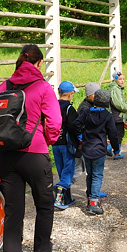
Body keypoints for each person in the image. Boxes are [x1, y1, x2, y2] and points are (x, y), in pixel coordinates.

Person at [0, 44, 62, 252]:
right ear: (39, 63)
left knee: (13, 210)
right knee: (44, 204)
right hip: (34, 152)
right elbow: (55, 121)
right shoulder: (42, 87)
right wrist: (47, 141)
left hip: (6, 155)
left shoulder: (3, 86)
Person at [75, 89, 120, 215]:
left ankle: (90, 197)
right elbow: (113, 133)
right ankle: (94, 202)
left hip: (87, 148)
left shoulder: (87, 112)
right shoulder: (107, 115)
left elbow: (76, 123)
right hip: (99, 149)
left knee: (90, 175)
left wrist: (80, 137)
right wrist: (116, 149)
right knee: (97, 175)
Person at [53, 80, 79, 210]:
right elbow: (74, 127)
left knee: (61, 170)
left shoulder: (53, 106)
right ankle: (59, 198)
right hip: (66, 145)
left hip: (55, 143)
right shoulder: (70, 109)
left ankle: (66, 199)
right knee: (68, 172)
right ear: (69, 95)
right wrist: (79, 141)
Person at [108, 71, 127, 159]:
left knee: (117, 133)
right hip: (117, 115)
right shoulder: (115, 89)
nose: (122, 81)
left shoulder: (116, 88)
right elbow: (117, 103)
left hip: (116, 115)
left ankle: (114, 149)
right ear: (115, 79)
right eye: (120, 79)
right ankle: (113, 150)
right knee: (119, 134)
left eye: (123, 79)